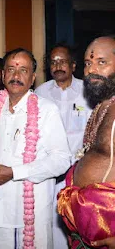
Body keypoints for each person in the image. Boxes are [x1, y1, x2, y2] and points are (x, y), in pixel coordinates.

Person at [0, 48, 71, 248]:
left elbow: (62, 160)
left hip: (33, 210)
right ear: (3, 75)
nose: (16, 76)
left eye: (23, 70)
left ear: (33, 78)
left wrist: (13, 172)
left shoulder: (47, 110)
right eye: (11, 69)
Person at [58, 36, 115, 249]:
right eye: (88, 63)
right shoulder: (102, 105)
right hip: (87, 230)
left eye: (102, 62)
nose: (91, 70)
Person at [35, 43, 92, 248]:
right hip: (50, 170)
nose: (58, 66)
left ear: (73, 65)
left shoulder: (87, 91)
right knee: (51, 219)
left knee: (79, 219)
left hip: (80, 170)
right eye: (53, 62)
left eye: (63, 61)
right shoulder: (40, 93)